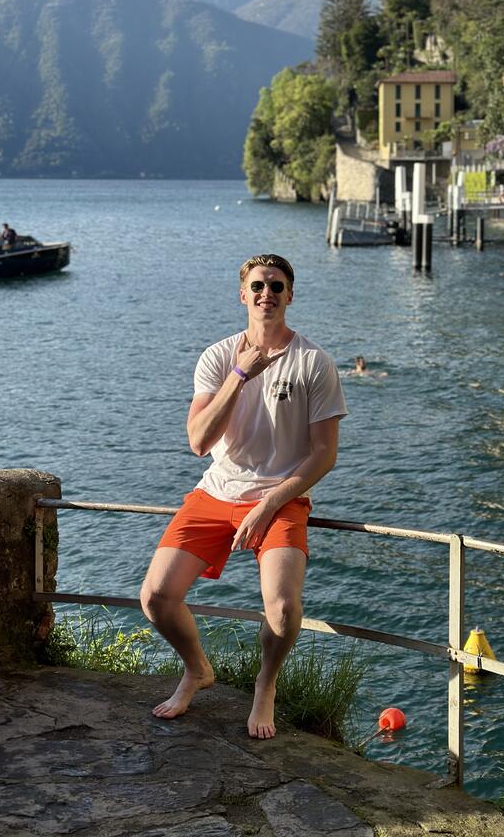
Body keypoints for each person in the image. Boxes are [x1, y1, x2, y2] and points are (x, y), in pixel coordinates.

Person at [140, 253, 347, 738]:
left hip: (281, 498)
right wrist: (239, 376)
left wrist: (269, 503)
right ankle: (198, 669)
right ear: (243, 295)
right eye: (258, 286)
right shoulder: (218, 357)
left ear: (290, 295)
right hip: (215, 492)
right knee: (156, 596)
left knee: (283, 609)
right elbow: (198, 442)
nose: (266, 294)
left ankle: (265, 686)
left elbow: (323, 455)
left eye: (277, 286)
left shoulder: (314, 362)